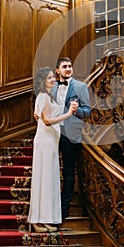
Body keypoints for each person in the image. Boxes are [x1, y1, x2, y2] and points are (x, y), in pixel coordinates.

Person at [28, 66, 78, 233]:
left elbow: (43, 115)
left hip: (51, 142)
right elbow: (48, 121)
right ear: (42, 81)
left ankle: (46, 219)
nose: (53, 80)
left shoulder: (48, 97)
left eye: (52, 77)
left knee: (50, 181)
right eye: (49, 78)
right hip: (45, 141)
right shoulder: (42, 96)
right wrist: (69, 113)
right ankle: (36, 220)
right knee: (43, 180)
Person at [51, 57, 91, 220]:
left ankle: (64, 208)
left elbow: (88, 112)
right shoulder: (51, 87)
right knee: (50, 170)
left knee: (68, 171)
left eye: (70, 66)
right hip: (51, 133)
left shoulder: (81, 87)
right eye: (64, 66)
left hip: (70, 133)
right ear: (57, 70)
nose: (68, 69)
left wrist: (76, 111)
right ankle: (50, 207)